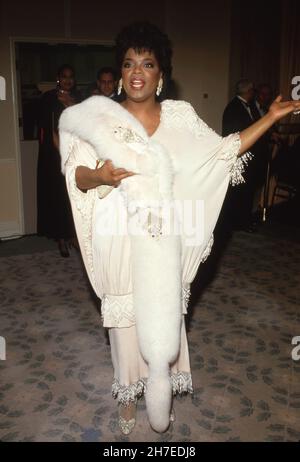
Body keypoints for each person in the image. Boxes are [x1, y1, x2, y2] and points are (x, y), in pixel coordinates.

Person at [58, 22, 300, 435]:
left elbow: (222, 152)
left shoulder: (180, 116)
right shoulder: (99, 118)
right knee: (124, 324)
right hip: (116, 233)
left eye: (147, 63)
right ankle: (130, 397)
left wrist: (272, 117)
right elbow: (75, 175)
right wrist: (99, 177)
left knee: (165, 319)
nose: (137, 71)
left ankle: (162, 390)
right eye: (129, 63)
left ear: (160, 74)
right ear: (120, 74)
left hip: (164, 236)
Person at [37, 64, 80, 257]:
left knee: (73, 195)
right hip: (56, 154)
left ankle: (72, 235)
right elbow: (50, 128)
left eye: (70, 77)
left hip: (76, 150)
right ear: (58, 78)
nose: (67, 80)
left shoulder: (78, 98)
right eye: (64, 77)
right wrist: (62, 152)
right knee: (58, 196)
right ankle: (61, 238)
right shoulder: (49, 98)